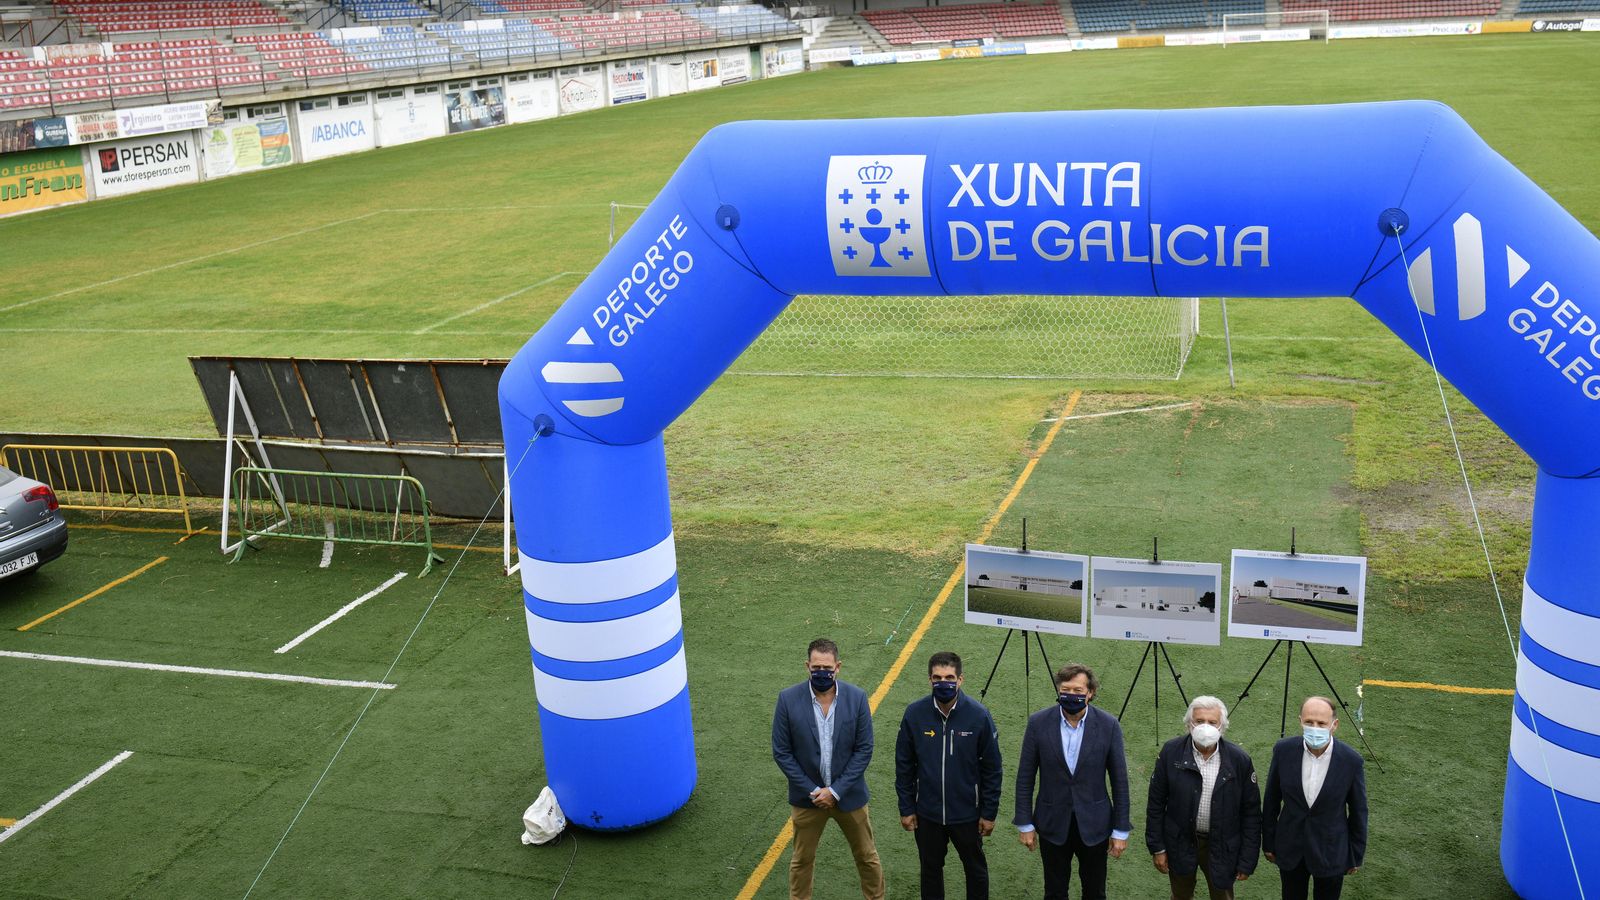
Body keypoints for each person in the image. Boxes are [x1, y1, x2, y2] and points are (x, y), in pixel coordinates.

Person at [771, 637, 885, 900]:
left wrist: (835, 791)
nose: (822, 673)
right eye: (816, 668)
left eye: (827, 668)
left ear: (838, 667)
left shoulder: (857, 698)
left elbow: (864, 749)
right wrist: (814, 790)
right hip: (807, 800)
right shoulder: (787, 699)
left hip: (849, 797)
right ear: (807, 666)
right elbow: (782, 752)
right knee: (801, 861)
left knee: (867, 858)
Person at [1014, 663, 1132, 900]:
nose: (1072, 695)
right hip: (1052, 825)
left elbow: (1119, 781)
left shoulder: (1109, 725)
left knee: (1095, 892)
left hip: (1095, 826)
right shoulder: (1038, 723)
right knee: (1055, 892)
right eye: (1066, 689)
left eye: (1079, 691)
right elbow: (1025, 776)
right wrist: (1025, 824)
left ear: (1090, 693)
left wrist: (1120, 830)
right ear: (1058, 689)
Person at [895, 650, 1004, 900]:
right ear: (929, 680)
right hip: (927, 813)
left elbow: (992, 769)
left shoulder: (979, 716)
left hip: (967, 814)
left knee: (975, 870)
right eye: (937, 678)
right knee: (930, 871)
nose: (943, 683)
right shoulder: (914, 714)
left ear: (960, 680)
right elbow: (904, 765)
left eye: (949, 677)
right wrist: (906, 807)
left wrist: (988, 813)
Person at [1146, 696, 1262, 900]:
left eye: (1212, 722)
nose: (1205, 727)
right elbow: (1156, 803)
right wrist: (1158, 847)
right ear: (1189, 723)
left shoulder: (1240, 760)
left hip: (1223, 844)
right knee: (1180, 894)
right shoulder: (1170, 752)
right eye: (1199, 721)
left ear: (1222, 726)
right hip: (1180, 841)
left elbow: (1251, 813)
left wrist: (1247, 859)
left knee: (1222, 896)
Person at [1262, 697, 1368, 900]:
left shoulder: (1351, 761)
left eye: (1321, 723)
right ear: (1300, 720)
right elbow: (1271, 799)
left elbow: (1359, 811)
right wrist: (1268, 842)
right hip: (1290, 847)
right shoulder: (1283, 750)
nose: (1314, 728)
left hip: (1331, 851)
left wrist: (1355, 855)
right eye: (1309, 722)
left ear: (1334, 725)